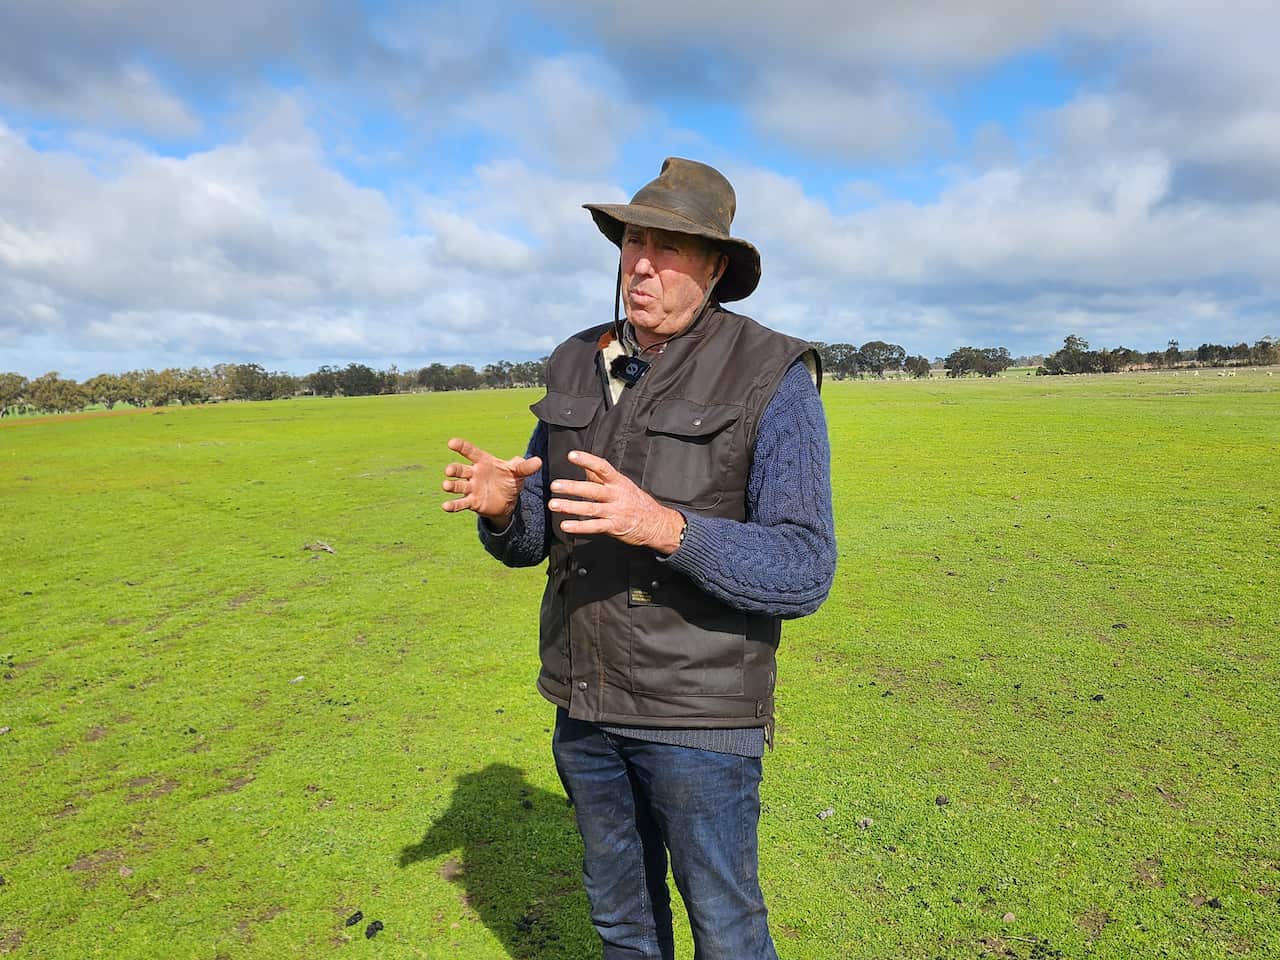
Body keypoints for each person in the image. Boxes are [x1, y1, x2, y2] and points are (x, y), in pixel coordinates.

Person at [441, 157, 836, 959]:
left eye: (669, 248)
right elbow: (536, 538)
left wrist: (664, 526)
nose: (641, 264)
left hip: (700, 718)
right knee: (621, 924)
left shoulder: (773, 374)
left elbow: (804, 567)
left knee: (725, 930)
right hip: (583, 705)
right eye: (632, 242)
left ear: (717, 267)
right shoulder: (572, 360)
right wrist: (502, 507)